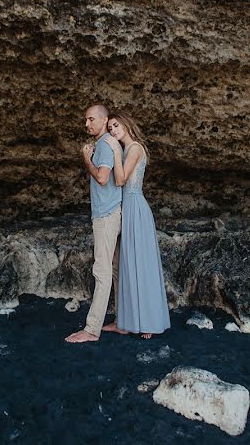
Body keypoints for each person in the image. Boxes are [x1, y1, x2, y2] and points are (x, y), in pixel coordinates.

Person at [101, 112, 171, 339]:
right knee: (124, 264)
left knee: (141, 265)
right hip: (125, 208)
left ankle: (149, 322)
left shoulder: (135, 148)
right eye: (110, 127)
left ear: (126, 124)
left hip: (136, 208)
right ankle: (124, 321)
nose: (113, 130)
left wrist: (112, 149)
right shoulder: (125, 150)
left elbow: (120, 180)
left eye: (116, 125)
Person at [65, 104, 122, 344]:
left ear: (103, 120)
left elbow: (101, 177)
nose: (86, 124)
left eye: (90, 119)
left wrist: (86, 158)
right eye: (85, 120)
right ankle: (123, 320)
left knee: (102, 269)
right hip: (111, 212)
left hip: (106, 215)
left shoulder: (106, 145)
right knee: (116, 268)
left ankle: (91, 329)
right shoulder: (105, 144)